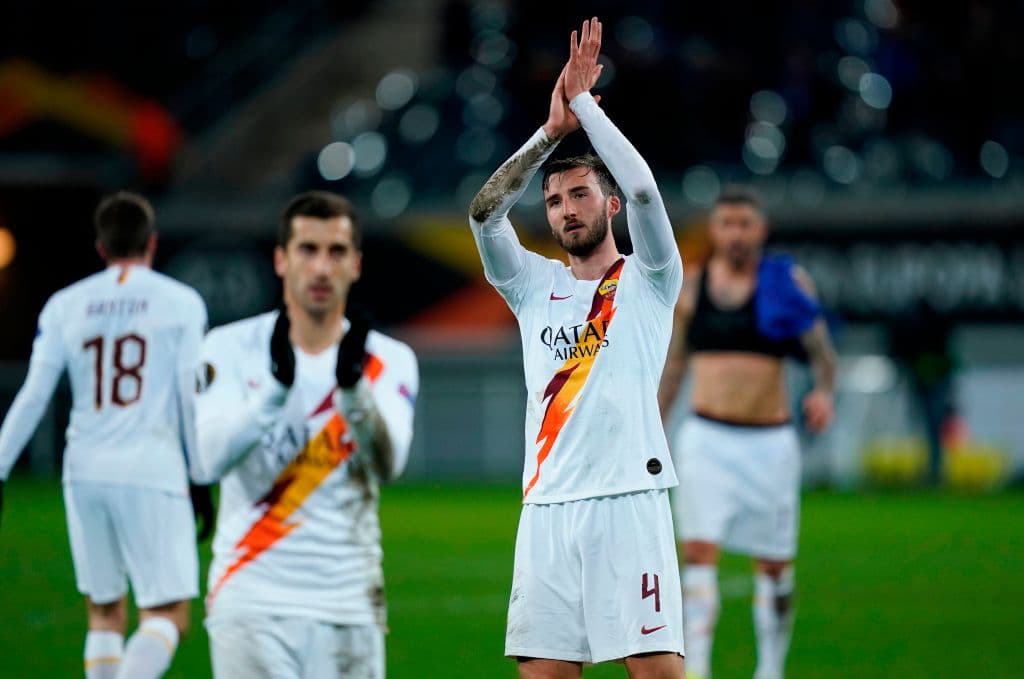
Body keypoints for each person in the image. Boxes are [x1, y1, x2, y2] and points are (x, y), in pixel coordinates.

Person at [469, 18, 685, 678]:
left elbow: (648, 188)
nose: (565, 209)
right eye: (555, 200)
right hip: (546, 509)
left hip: (629, 502)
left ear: (610, 204)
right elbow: (483, 212)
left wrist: (585, 105)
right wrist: (548, 137)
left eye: (580, 193)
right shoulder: (533, 284)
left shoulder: (650, 278)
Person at [192, 190, 418, 678]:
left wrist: (354, 390)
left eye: (336, 252)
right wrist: (276, 389)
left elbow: (389, 464)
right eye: (307, 249)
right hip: (250, 597)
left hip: (350, 601)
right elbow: (207, 460)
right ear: (280, 259)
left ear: (356, 263)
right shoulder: (228, 347)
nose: (321, 268)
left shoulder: (387, 359)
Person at [0, 191, 209, 679]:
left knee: (104, 612)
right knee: (167, 615)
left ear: (100, 246)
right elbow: (188, 395)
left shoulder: (65, 305)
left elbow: (33, 395)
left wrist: (1, 466)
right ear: (151, 242)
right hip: (151, 467)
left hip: (84, 471)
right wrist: (201, 476)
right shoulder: (180, 302)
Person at [657, 186, 838, 679]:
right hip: (705, 439)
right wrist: (654, 427)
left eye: (745, 224)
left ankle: (771, 669)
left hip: (770, 442)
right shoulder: (692, 288)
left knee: (775, 565)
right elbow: (674, 365)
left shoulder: (787, 283)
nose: (736, 233)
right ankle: (696, 670)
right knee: (696, 552)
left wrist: (823, 392)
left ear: (761, 230)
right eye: (726, 224)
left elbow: (823, 353)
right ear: (714, 231)